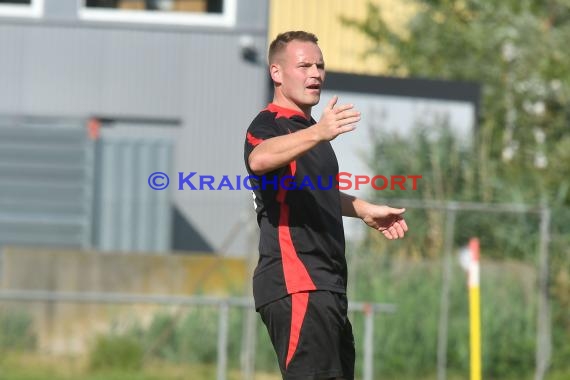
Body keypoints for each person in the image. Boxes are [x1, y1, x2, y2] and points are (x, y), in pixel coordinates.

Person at [243, 31, 408, 380]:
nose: (315, 73)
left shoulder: (309, 133)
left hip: (327, 283)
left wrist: (363, 209)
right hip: (297, 281)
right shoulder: (270, 125)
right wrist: (319, 133)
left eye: (319, 65)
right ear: (276, 73)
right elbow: (259, 159)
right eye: (303, 65)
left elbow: (314, 191)